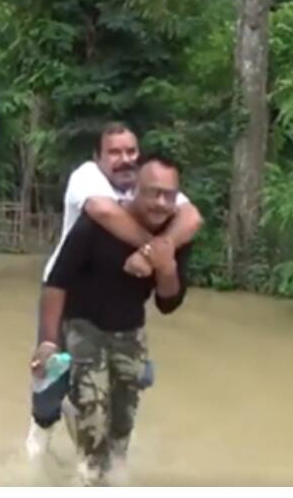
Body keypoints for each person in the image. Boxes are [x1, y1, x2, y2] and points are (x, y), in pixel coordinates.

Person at [26, 122, 203, 458]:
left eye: (131, 151)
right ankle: (42, 424)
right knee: (52, 375)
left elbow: (191, 218)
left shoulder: (151, 187)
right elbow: (103, 211)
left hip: (120, 308)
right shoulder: (88, 178)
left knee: (126, 382)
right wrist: (156, 249)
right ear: (98, 157)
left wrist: (160, 257)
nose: (124, 159)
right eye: (115, 152)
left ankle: (100, 435)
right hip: (67, 293)